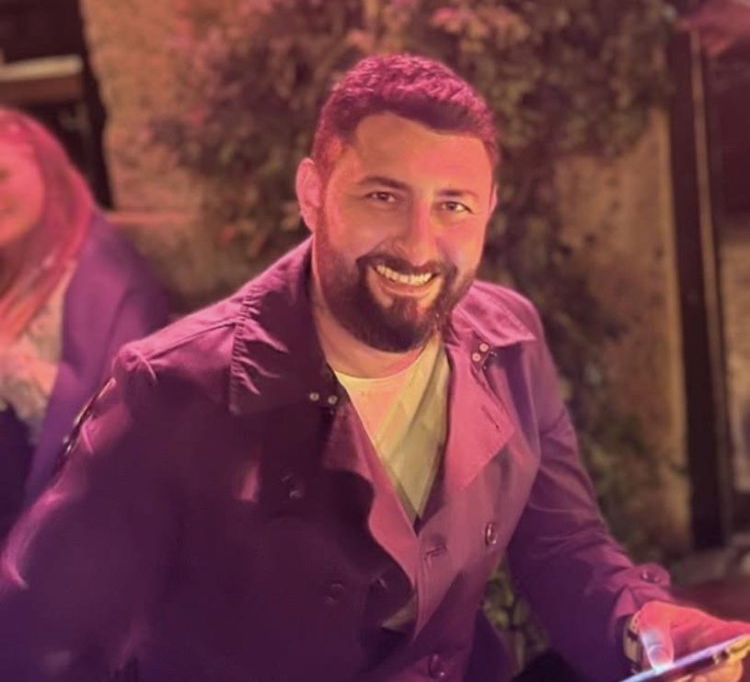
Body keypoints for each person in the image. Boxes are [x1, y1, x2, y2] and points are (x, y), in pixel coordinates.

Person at [0, 56, 747, 682]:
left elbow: (564, 551)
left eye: (453, 206)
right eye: (384, 196)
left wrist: (648, 628)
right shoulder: (172, 392)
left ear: (489, 209)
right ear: (313, 194)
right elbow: (37, 649)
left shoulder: (509, 342)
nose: (419, 245)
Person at [0, 107, 170, 538]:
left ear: (45, 169)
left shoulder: (103, 275)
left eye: (2, 176)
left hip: (64, 525)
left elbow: (111, 415)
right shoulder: (17, 260)